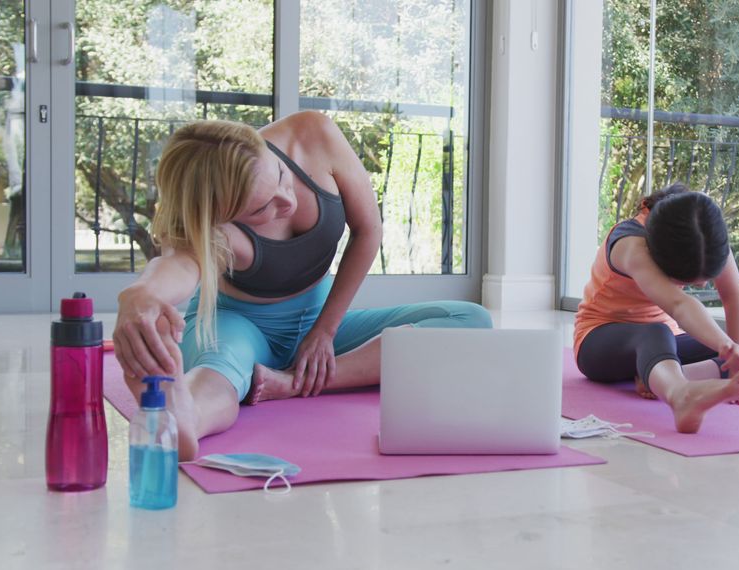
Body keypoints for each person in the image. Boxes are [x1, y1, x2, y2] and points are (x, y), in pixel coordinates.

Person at [113, 111, 491, 461]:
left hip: (320, 322)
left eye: (280, 176)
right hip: (241, 328)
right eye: (262, 209)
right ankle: (184, 419)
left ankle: (293, 382)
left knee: (468, 319)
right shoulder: (213, 225)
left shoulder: (314, 135)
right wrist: (143, 294)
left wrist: (324, 332)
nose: (287, 202)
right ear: (223, 214)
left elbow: (369, 229)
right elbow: (178, 265)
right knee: (218, 376)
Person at [575, 183, 739, 433]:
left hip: (666, 345)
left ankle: (660, 377)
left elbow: (733, 298)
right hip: (599, 343)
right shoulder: (631, 246)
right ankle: (680, 394)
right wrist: (724, 348)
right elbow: (679, 305)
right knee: (656, 331)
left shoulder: (706, 235)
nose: (702, 284)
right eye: (686, 282)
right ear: (660, 255)